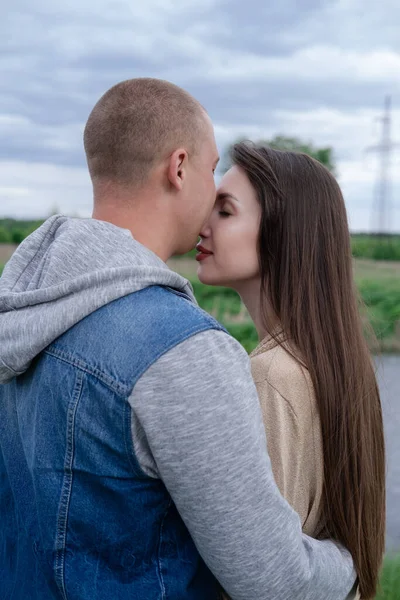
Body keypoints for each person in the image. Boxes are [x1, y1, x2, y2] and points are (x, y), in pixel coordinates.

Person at [0, 79, 356, 600]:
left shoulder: (25, 316)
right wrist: (346, 562)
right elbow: (274, 580)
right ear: (180, 167)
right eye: (212, 170)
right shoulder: (180, 349)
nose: (212, 194)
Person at [197, 142, 386, 600]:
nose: (202, 224)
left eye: (225, 211)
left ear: (282, 233)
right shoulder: (336, 361)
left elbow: (259, 575)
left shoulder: (272, 375)